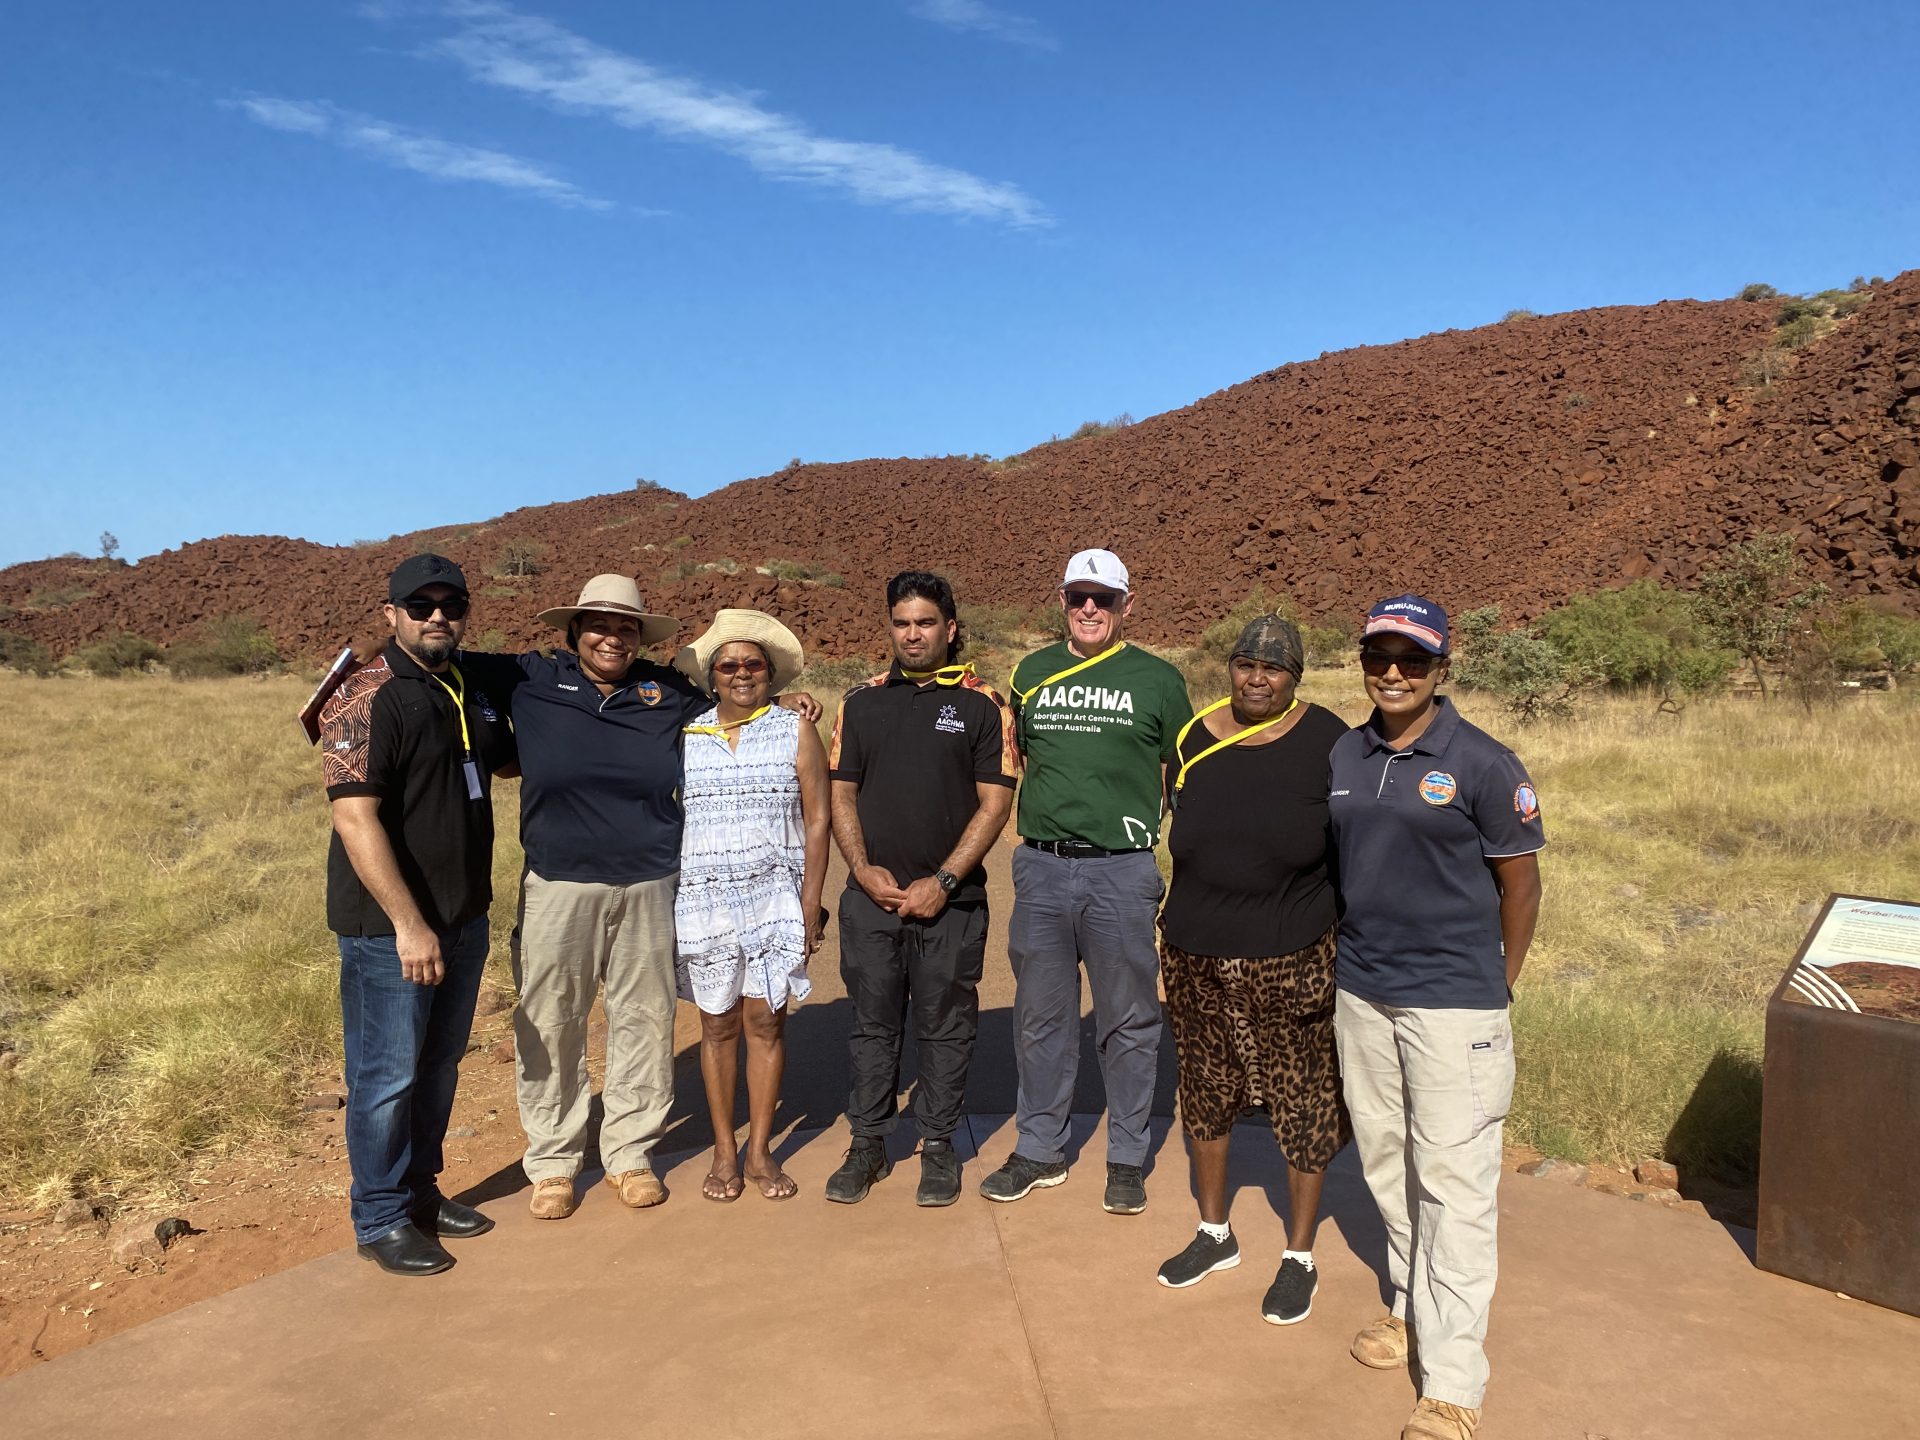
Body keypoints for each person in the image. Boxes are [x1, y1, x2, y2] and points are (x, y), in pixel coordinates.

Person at [1328, 595, 1544, 1440]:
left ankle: (1454, 1382)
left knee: (1454, 1185)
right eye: (1379, 656)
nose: (1392, 672)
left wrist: (1498, 981)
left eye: (1411, 659)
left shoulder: (1485, 763)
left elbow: (1520, 883)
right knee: (1388, 1165)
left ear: (1441, 669)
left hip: (1455, 1002)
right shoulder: (1347, 751)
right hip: (1364, 990)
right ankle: (1410, 1309)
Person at [320, 555, 518, 1276]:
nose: (438, 615)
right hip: (392, 932)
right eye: (421, 604)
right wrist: (408, 924)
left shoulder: (462, 686)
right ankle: (378, 1216)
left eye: (452, 604)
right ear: (391, 612)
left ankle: (421, 1192)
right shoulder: (364, 696)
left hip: (463, 917)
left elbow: (503, 764)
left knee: (437, 1066)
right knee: (387, 1075)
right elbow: (356, 821)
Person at [980, 549, 1193, 1215]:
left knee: (1128, 1018)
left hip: (1121, 869)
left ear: (1129, 604)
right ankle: (1040, 1148)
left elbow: (1183, 773)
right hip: (1042, 866)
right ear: (1064, 601)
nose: (1090, 609)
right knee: (1041, 1017)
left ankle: (1126, 1156)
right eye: (1078, 597)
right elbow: (1009, 753)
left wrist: (1179, 866)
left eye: (1103, 597)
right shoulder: (1030, 673)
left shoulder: (1158, 680)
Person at [1154, 615, 1351, 1326]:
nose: (1257, 678)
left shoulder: (1331, 743)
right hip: (1195, 951)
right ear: (1229, 666)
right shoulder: (1190, 736)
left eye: (1274, 668)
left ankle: (1299, 1255)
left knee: (1304, 1101)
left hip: (1292, 954)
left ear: (1296, 676)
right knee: (1205, 1091)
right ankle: (1215, 1233)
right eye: (1245, 664)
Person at [502, 575, 701, 1222]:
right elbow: (433, 661)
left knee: (642, 1017)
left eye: (624, 627)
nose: (611, 637)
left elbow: (736, 710)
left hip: (649, 879)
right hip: (559, 883)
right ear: (573, 632)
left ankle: (629, 1152)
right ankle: (554, 1160)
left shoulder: (667, 693)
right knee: (551, 1020)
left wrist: (800, 704)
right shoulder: (529, 679)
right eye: (598, 625)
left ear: (640, 637)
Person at [823, 572, 1017, 1207]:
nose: (913, 634)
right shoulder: (862, 702)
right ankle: (869, 1144)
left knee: (946, 1023)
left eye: (926, 622)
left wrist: (944, 879)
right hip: (871, 899)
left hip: (951, 902)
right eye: (902, 622)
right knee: (873, 1023)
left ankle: (938, 1144)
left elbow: (994, 803)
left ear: (950, 629)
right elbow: (841, 789)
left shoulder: (984, 703)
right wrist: (859, 867)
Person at [672, 609, 831, 1202]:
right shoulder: (684, 734)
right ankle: (723, 1152)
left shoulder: (794, 729)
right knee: (716, 1024)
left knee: (766, 1019)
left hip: (775, 898)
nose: (742, 674)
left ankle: (760, 1151)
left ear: (770, 674)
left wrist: (811, 901)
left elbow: (817, 820)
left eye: (753, 664)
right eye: (729, 665)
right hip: (703, 897)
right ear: (712, 676)